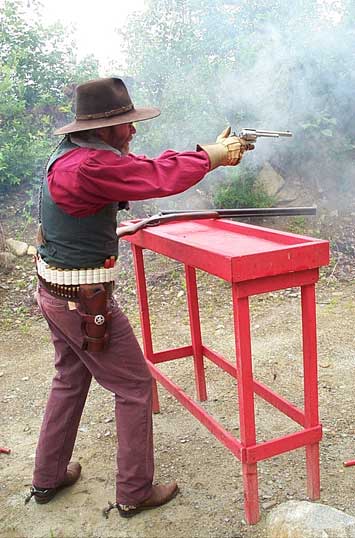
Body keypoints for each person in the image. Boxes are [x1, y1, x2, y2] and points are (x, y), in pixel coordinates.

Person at [25, 77, 252, 518]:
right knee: (134, 386)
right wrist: (212, 157)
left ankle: (47, 476)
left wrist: (204, 152)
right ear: (103, 129)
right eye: (126, 124)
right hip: (83, 301)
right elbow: (154, 176)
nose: (133, 131)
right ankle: (134, 490)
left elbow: (141, 168)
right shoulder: (92, 165)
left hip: (54, 291)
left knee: (69, 381)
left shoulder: (71, 156)